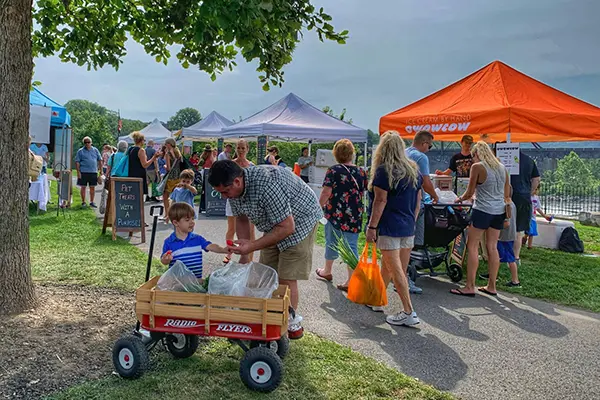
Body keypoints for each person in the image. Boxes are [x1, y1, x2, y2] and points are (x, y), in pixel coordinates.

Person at [209, 160, 323, 339]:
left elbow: (287, 227)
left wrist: (253, 245)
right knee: (266, 272)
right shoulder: (235, 193)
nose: (224, 197)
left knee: (286, 276)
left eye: (225, 191)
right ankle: (263, 318)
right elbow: (241, 219)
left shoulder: (267, 184)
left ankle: (290, 324)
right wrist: (246, 255)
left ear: (237, 182)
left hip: (301, 221)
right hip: (274, 223)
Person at [365, 132, 422, 326]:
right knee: (393, 267)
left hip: (389, 225)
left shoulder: (383, 171)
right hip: (408, 226)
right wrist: (411, 221)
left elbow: (380, 201)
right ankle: (377, 300)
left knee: (395, 269)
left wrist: (372, 226)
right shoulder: (414, 170)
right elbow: (418, 201)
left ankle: (409, 311)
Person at [451, 141, 511, 297]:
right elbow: (506, 193)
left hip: (482, 210)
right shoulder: (502, 168)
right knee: (492, 247)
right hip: (499, 211)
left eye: (473, 156)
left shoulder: (477, 167)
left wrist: (459, 199)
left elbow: (469, 193)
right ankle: (492, 286)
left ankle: (470, 286)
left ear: (476, 154)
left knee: (473, 246)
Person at [315, 139, 367, 291]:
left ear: (336, 154)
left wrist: (318, 208)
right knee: (351, 245)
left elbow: (326, 192)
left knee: (331, 240)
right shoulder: (361, 172)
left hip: (335, 213)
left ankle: (327, 271)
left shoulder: (333, 171)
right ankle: (351, 280)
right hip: (354, 214)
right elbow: (362, 191)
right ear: (352, 153)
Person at [405, 130, 439, 294]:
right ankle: (406, 277)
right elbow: (426, 182)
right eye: (430, 146)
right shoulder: (421, 157)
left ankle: (398, 274)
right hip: (416, 203)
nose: (429, 149)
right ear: (424, 143)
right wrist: (435, 195)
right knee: (411, 242)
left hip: (402, 203)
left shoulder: (404, 153)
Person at [160, 202, 231, 279]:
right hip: (178, 283)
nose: (192, 222)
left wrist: (223, 250)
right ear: (176, 223)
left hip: (196, 281)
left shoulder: (197, 239)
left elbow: (211, 246)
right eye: (187, 220)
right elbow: (164, 261)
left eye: (193, 219)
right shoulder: (169, 242)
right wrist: (166, 259)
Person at [480, 192, 521, 287]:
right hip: (508, 235)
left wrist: (493, 227)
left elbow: (506, 223)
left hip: (504, 236)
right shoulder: (512, 204)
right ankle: (493, 274)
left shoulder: (506, 206)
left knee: (510, 258)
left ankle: (515, 280)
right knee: (497, 256)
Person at [224, 139, 255, 263]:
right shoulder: (230, 164)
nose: (241, 151)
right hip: (233, 199)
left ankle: (249, 258)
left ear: (247, 149)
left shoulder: (251, 166)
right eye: (239, 148)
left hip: (248, 201)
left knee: (250, 230)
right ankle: (229, 252)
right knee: (232, 228)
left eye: (243, 148)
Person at [511, 151, 540, 264]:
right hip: (524, 197)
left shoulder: (502, 157)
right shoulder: (529, 160)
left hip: (507, 196)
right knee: (518, 230)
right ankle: (516, 257)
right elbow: (536, 179)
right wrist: (530, 192)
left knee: (500, 228)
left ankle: (501, 255)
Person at [128, 132, 161, 199]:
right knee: (139, 196)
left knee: (133, 195)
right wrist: (154, 158)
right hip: (139, 175)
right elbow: (145, 165)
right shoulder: (141, 150)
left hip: (131, 174)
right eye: (144, 140)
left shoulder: (130, 149)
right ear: (141, 140)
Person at [75, 136, 102, 208]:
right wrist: (78, 172)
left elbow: (100, 160)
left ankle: (92, 201)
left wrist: (101, 171)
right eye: (85, 142)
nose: (87, 144)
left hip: (93, 172)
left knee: (92, 187)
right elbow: (77, 162)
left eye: (88, 142)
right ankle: (83, 202)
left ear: (91, 143)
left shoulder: (95, 150)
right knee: (83, 187)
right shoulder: (80, 151)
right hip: (83, 172)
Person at [162, 138, 184, 223]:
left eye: (166, 143)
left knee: (165, 196)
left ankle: (167, 214)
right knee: (176, 197)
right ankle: (176, 214)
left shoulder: (168, 154)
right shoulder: (178, 152)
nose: (165, 145)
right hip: (178, 177)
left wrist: (164, 166)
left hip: (170, 177)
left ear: (169, 144)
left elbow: (168, 168)